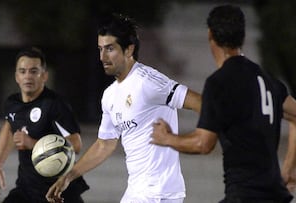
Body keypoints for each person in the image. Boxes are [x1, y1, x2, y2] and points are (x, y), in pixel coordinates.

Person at [46, 13, 201, 203]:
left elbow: (199, 103)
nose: (102, 56)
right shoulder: (110, 95)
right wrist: (68, 176)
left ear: (129, 50)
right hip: (137, 191)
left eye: (109, 49)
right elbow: (105, 144)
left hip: (159, 193)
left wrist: (210, 135)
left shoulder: (148, 82)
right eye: (100, 49)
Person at [150, 4, 296, 203]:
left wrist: (167, 138)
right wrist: (286, 170)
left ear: (210, 35)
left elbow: (203, 143)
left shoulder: (219, 82)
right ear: (242, 37)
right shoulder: (267, 80)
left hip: (244, 196)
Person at [0, 47, 89, 203]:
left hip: (59, 189)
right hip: (26, 189)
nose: (28, 76)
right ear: (16, 76)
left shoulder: (55, 104)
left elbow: (76, 144)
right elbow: (9, 128)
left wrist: (33, 144)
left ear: (44, 76)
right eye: (22, 71)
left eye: (34, 71)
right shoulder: (12, 103)